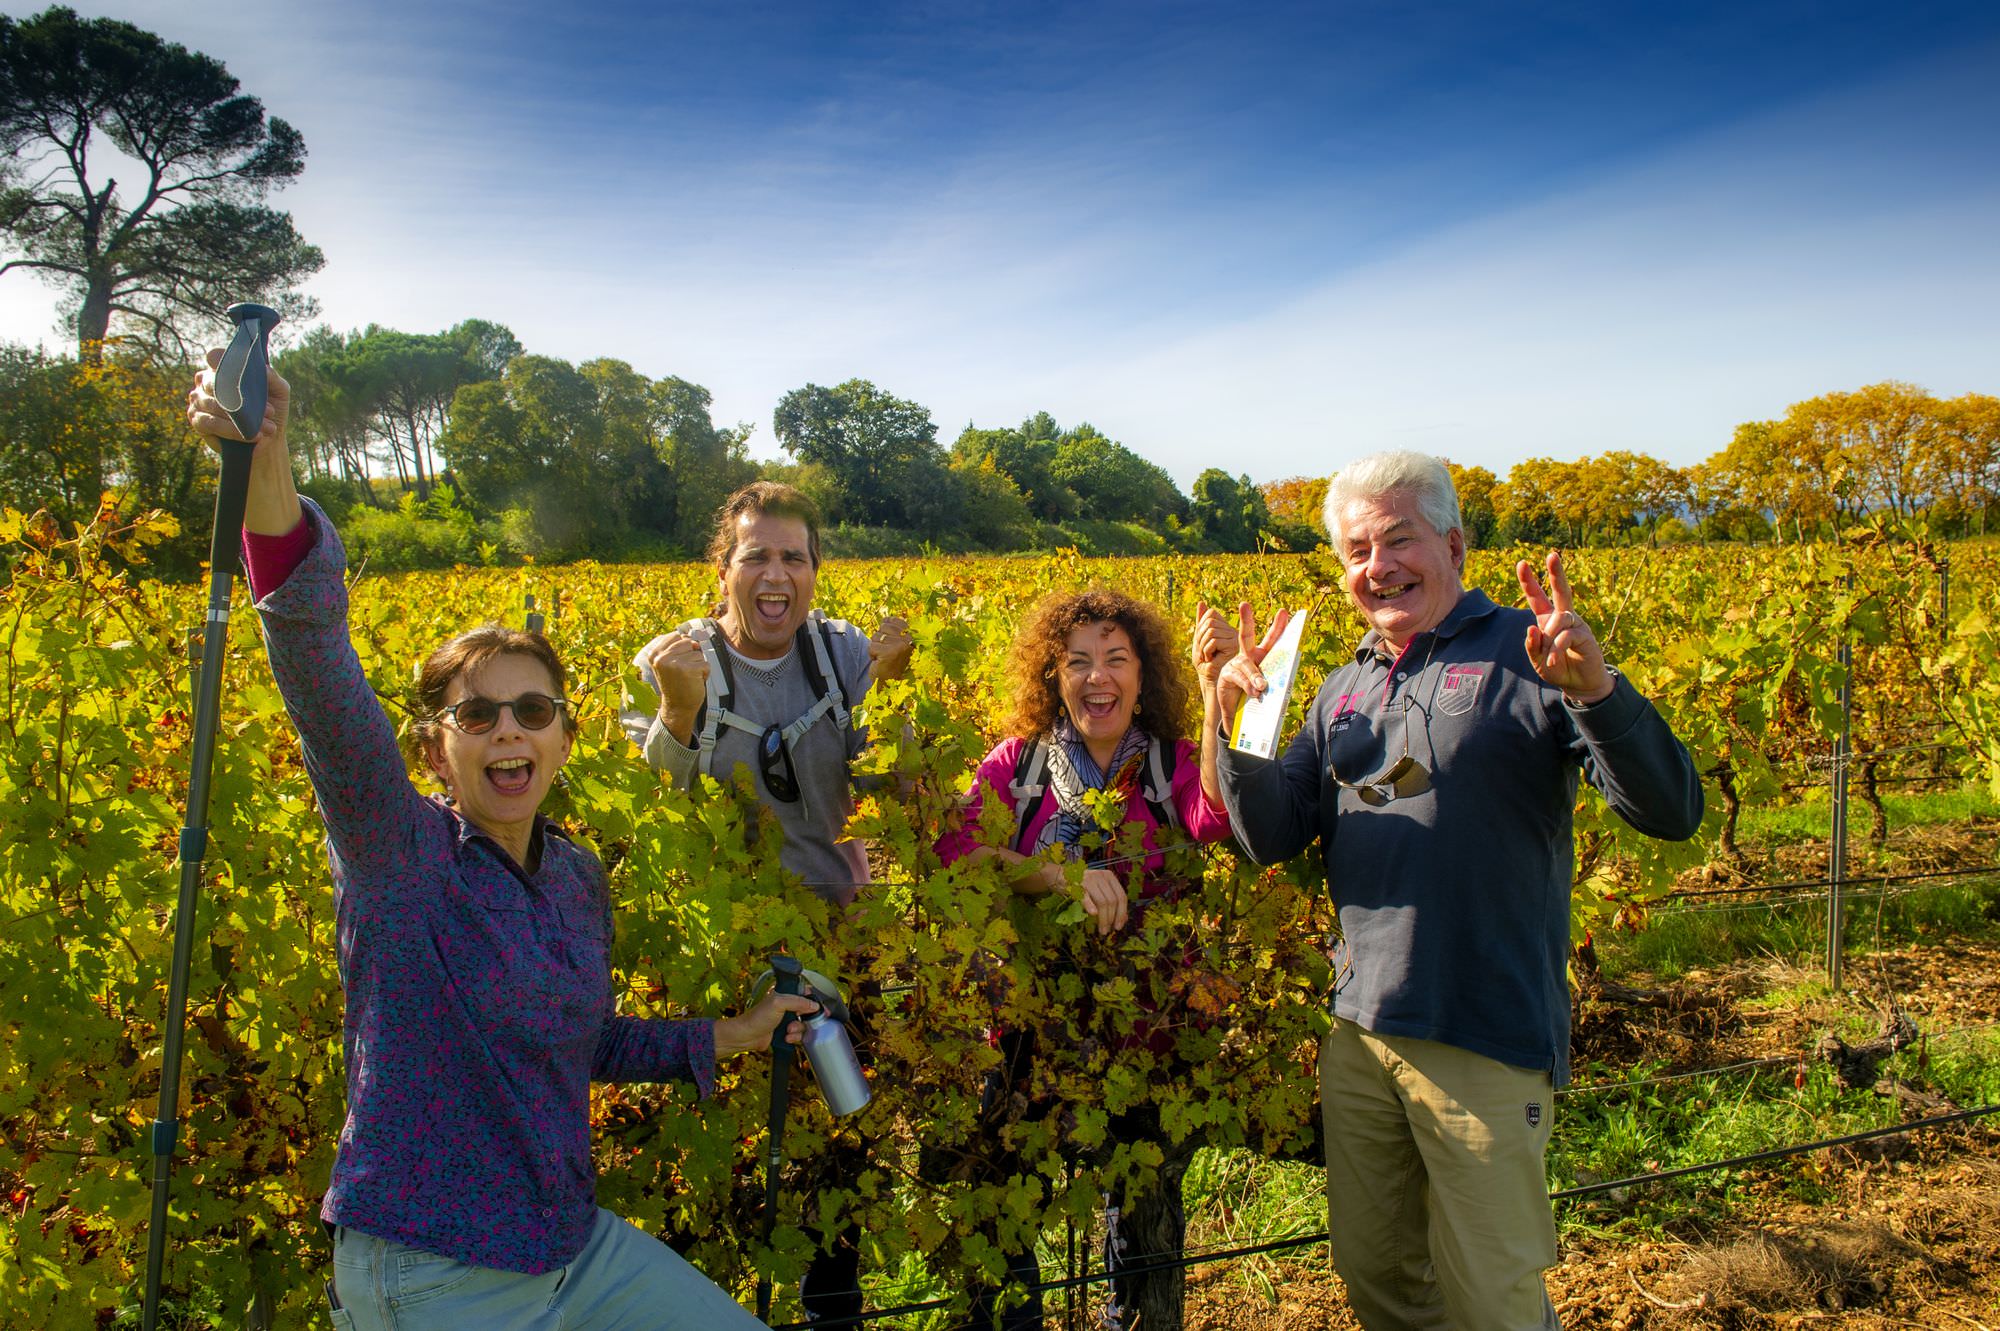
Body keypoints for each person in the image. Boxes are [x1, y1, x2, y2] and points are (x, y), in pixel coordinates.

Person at [186, 357, 817, 1331]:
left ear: (565, 734)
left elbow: (579, 1040)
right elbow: (314, 656)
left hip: (568, 1246)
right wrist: (266, 465)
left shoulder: (570, 876)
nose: (508, 730)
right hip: (434, 1265)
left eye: (532, 709)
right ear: (436, 746)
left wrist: (730, 1033)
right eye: (476, 714)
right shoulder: (397, 851)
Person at [1202, 451, 1703, 1331]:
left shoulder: (1525, 654)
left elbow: (1671, 810)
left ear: (1454, 543)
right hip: (1362, 1031)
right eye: (1357, 549)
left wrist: (1594, 688)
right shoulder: (1340, 686)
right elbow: (1269, 837)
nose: (1377, 565)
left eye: (1399, 538)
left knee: (1492, 1303)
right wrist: (1228, 714)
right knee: (1381, 1280)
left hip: (1485, 1032)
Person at [631, 481, 913, 1322]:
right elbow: (644, 821)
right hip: (717, 957)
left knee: (837, 1161)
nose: (775, 573)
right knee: (720, 1164)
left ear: (816, 570)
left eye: (794, 555)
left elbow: (890, 788)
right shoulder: (673, 661)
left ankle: (835, 1311)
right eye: (756, 554)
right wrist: (678, 713)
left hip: (835, 942)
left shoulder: (843, 655)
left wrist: (893, 693)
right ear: (723, 568)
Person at [936, 588, 1235, 1328]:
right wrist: (1055, 875)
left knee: (1138, 1235)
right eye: (1078, 662)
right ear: (1053, 675)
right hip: (1026, 1037)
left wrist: (1213, 695)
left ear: (1143, 675)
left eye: (1115, 659)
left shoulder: (1172, 767)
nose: (1097, 677)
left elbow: (1219, 815)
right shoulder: (1019, 767)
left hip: (1143, 1040)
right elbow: (954, 850)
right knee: (1000, 1211)